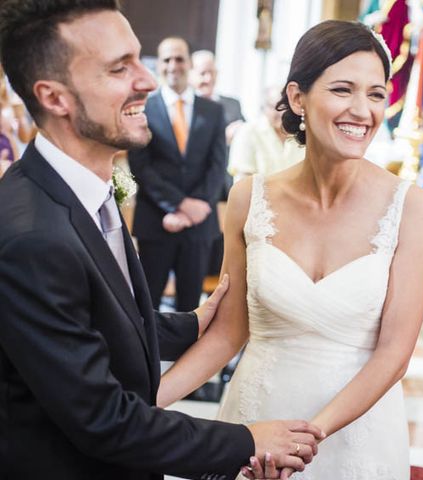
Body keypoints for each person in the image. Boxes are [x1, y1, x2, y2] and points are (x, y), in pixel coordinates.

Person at [0, 1, 323, 478]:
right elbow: (106, 420)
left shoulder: (78, 189)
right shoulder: (32, 237)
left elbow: (93, 312)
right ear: (54, 97)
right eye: (119, 68)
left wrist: (188, 324)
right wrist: (248, 440)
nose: (148, 80)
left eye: (139, 59)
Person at [158, 20, 423, 479]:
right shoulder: (250, 197)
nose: (362, 111)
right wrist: (140, 407)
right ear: (297, 97)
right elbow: (228, 333)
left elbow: (394, 355)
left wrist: (307, 439)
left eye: (376, 94)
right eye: (343, 90)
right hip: (257, 418)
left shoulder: (412, 207)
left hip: (353, 436)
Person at [128, 37, 228, 312]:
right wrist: (179, 205)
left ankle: (186, 355)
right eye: (167, 59)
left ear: (189, 63)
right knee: (147, 303)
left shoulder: (214, 111)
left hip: (198, 226)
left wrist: (193, 210)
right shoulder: (144, 108)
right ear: (158, 65)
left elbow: (217, 166)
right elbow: (141, 166)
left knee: (190, 306)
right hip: (157, 220)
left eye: (180, 59)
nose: (174, 65)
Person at [228, 85, 305, 182]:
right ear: (264, 107)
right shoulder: (247, 132)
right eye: (275, 107)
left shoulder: (302, 134)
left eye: (286, 107)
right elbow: (242, 182)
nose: (282, 113)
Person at [191, 50, 245, 145]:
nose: (208, 79)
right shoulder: (185, 105)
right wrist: (223, 137)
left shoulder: (233, 105)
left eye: (212, 72)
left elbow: (247, 134)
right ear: (191, 75)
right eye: (202, 73)